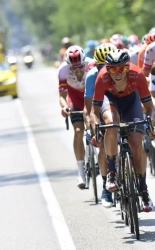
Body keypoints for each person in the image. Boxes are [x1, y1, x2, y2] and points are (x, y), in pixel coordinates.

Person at [90, 49, 155, 212]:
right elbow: (93, 111)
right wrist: (96, 127)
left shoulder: (137, 75)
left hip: (131, 103)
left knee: (136, 144)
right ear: (107, 69)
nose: (118, 73)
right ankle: (111, 173)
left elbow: (150, 108)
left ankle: (143, 189)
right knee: (112, 123)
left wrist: (152, 124)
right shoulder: (102, 77)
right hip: (110, 102)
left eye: (122, 68)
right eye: (113, 69)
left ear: (128, 67)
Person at [84, 43, 117, 208]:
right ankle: (106, 186)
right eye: (101, 65)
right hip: (102, 103)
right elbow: (89, 107)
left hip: (120, 100)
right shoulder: (92, 75)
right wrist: (92, 127)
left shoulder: (122, 70)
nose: (106, 69)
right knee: (103, 145)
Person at [58, 45, 94, 189]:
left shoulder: (91, 65)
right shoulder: (63, 71)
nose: (78, 70)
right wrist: (64, 107)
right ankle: (80, 172)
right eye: (74, 67)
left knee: (99, 128)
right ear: (68, 65)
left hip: (90, 98)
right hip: (75, 101)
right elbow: (62, 96)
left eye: (80, 66)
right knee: (78, 132)